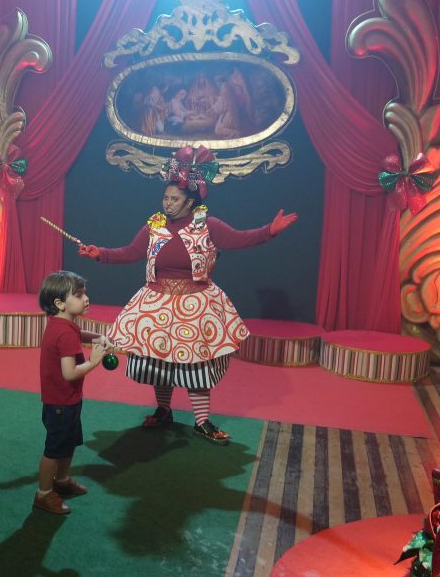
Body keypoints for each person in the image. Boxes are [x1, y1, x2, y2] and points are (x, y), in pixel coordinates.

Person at [78, 146, 297, 445]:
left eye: (174, 199)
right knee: (158, 361)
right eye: (165, 198)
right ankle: (164, 410)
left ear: (190, 202)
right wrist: (100, 254)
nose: (167, 204)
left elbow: (238, 239)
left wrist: (269, 230)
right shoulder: (155, 225)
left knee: (196, 364)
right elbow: (130, 252)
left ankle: (202, 422)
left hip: (195, 303)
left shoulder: (207, 225)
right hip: (157, 301)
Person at [33, 270, 110, 515]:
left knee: (69, 443)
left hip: (67, 400)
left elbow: (79, 334)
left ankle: (62, 480)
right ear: (60, 303)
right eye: (78, 295)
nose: (86, 299)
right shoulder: (65, 333)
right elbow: (70, 373)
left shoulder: (63, 324)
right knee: (54, 450)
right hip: (61, 404)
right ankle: (43, 494)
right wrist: (94, 361)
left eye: (84, 293)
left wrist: (98, 336)